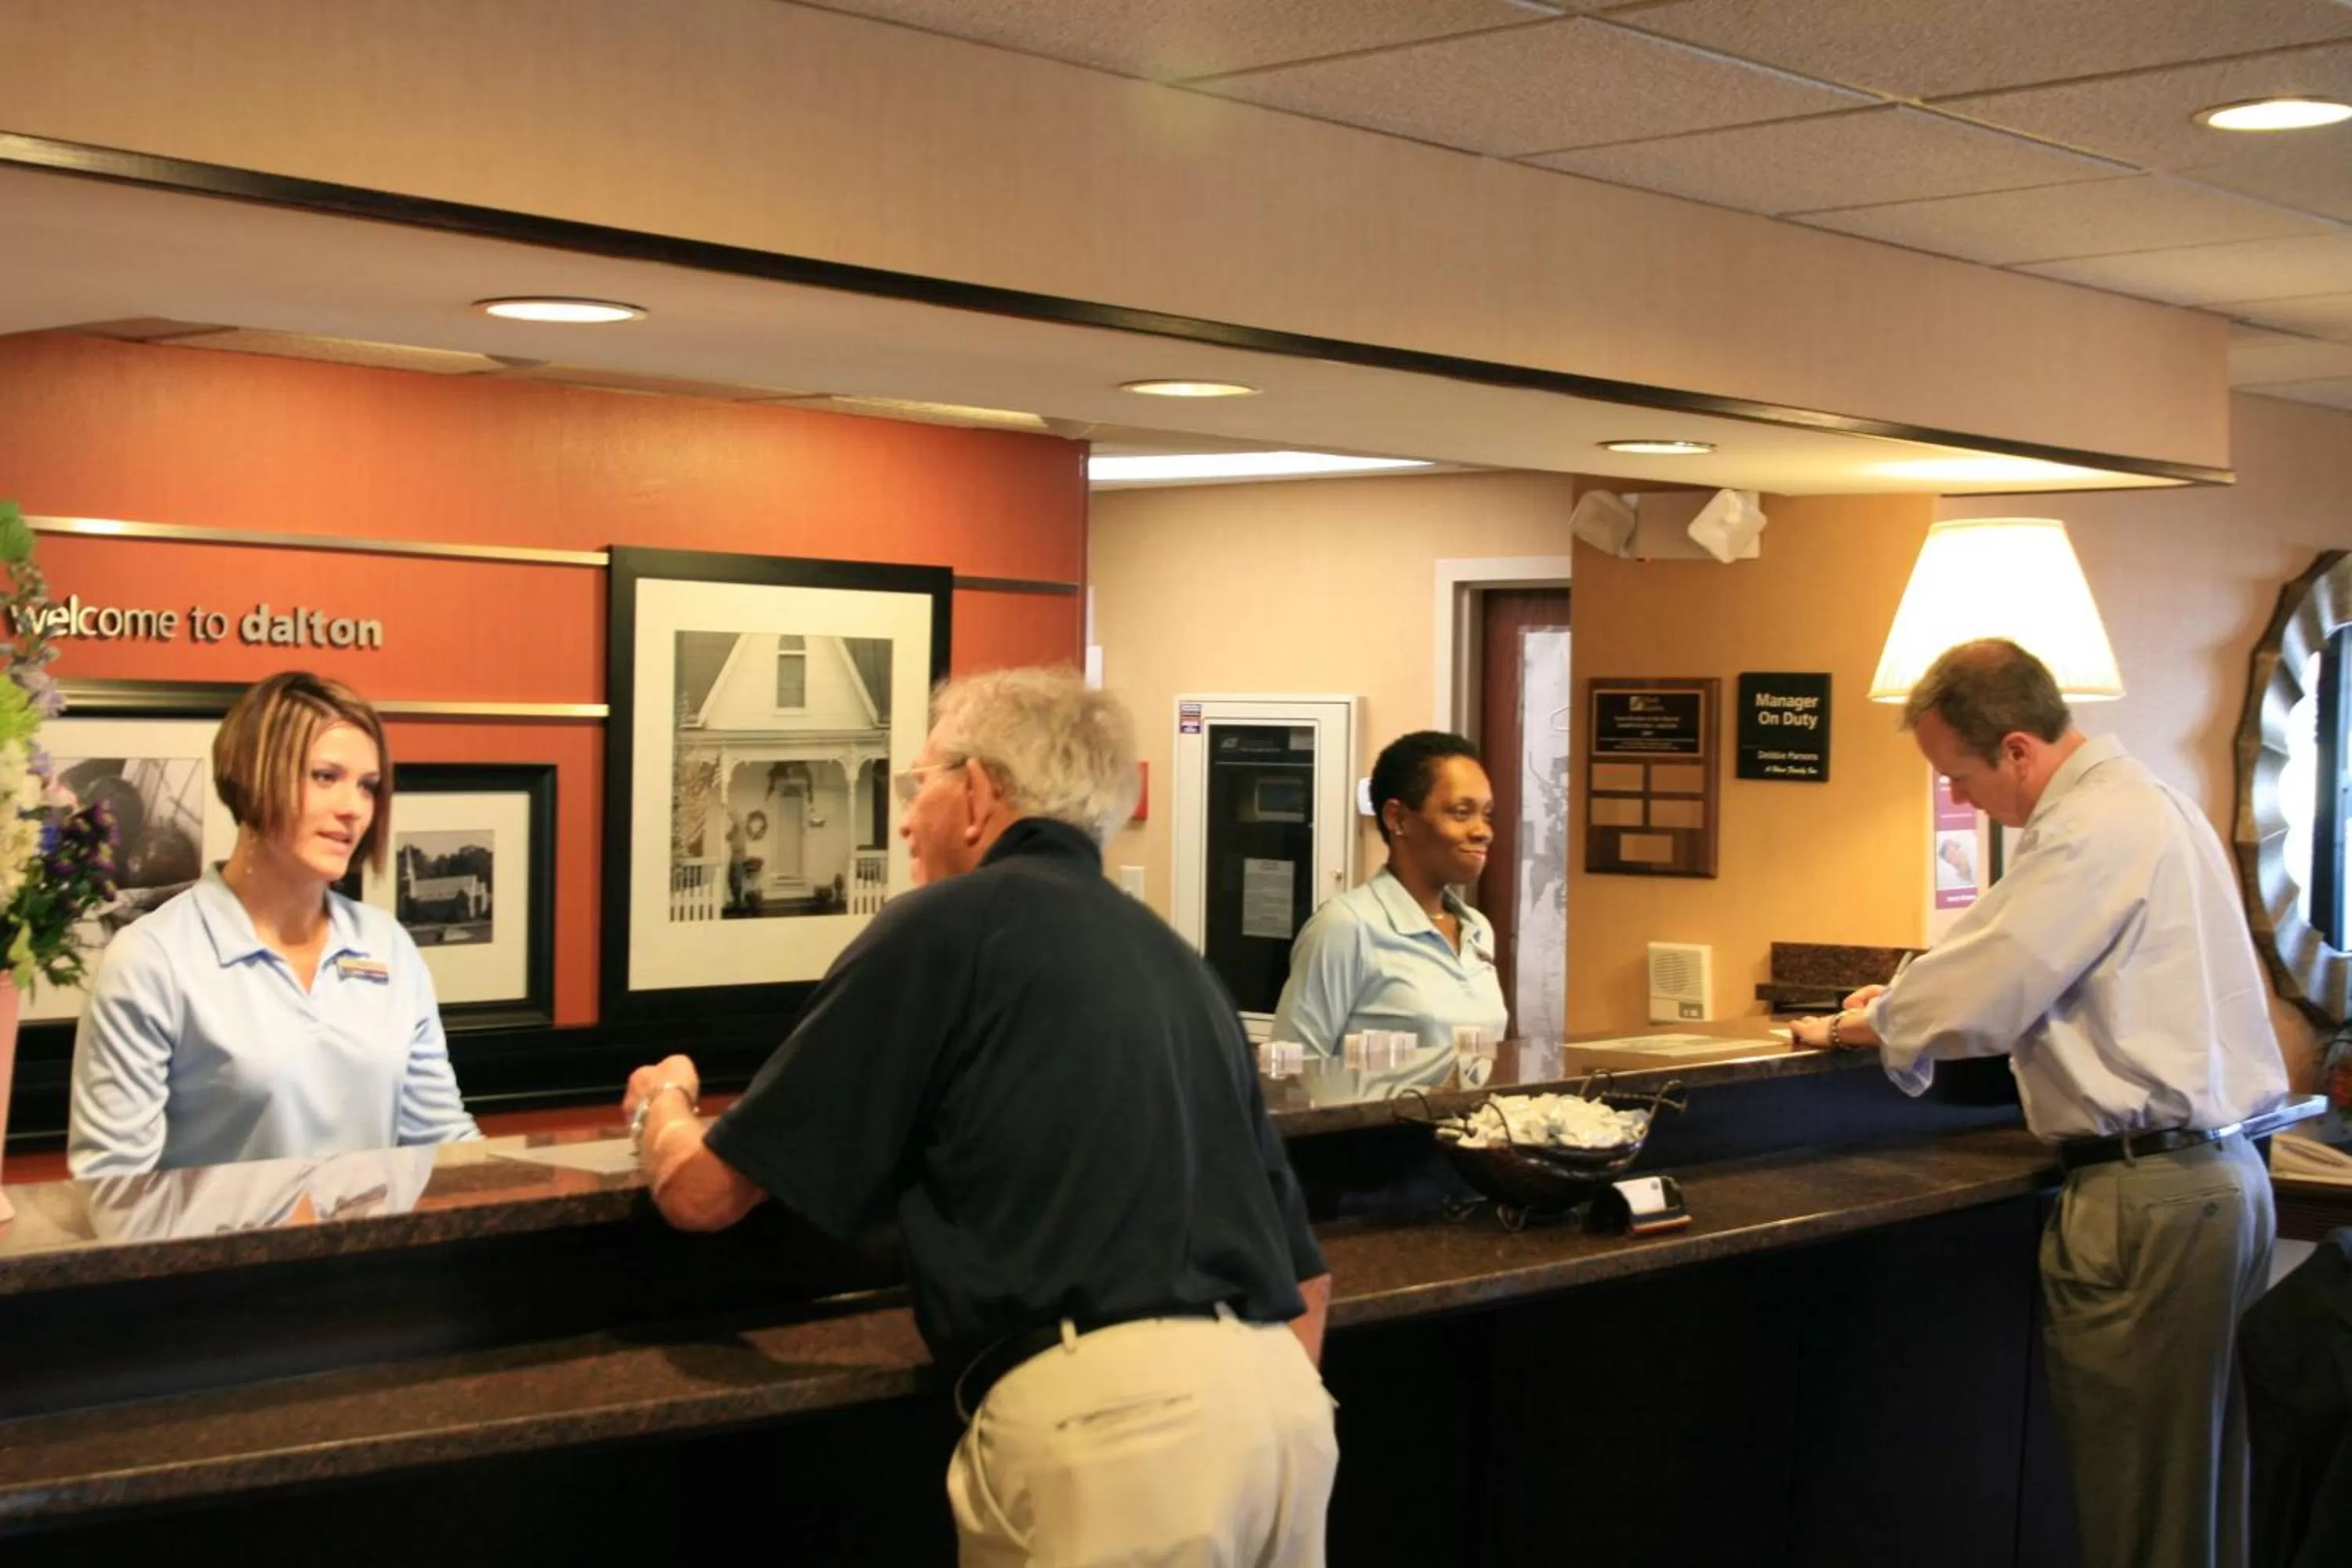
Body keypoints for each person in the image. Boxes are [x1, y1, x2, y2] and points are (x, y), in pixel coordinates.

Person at [622, 668, 1337, 1566]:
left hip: (1114, 1435)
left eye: (917, 784)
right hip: (1281, 1414)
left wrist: (665, 1101)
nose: (904, 818)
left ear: (979, 794)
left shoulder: (944, 925)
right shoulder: (1178, 962)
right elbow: (1310, 1280)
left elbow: (702, 1193)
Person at [1790, 638, 2289, 1568]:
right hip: (2219, 1177)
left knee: (2137, 1506)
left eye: (1961, 776)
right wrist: (1906, 992)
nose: (1965, 800)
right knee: (2196, 1501)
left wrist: (1864, 1023)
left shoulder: (2087, 827)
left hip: (2148, 1200)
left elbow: (1996, 980)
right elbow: (2008, 948)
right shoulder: (2154, 803)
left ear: (2017, 748)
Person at [67, 671, 480, 1176]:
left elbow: (442, 1140)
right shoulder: (153, 959)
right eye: (325, 777)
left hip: (375, 1252)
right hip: (221, 1255)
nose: (353, 808)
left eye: (368, 787)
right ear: (253, 775)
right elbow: (114, 1185)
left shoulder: (388, 946)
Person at [1269, 731, 1507, 1089]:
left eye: (1486, 815)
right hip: (1376, 1142)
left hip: (1463, 1140)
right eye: (1461, 813)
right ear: (1398, 819)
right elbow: (1289, 1073)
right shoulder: (1347, 927)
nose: (1482, 831)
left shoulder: (1477, 930)